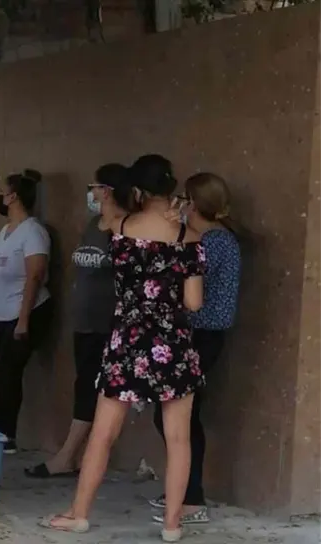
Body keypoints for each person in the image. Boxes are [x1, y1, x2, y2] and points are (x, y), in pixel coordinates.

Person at [42, 154, 205, 543]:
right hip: (172, 345)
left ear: (137, 189)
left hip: (126, 343)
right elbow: (194, 302)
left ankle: (79, 514)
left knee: (103, 433)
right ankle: (172, 525)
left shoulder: (120, 229)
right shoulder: (190, 238)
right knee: (178, 439)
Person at [26, 163, 132, 478]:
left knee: (91, 387)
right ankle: (74, 455)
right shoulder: (92, 224)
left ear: (107, 191)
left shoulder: (126, 228)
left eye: (95, 187)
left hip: (107, 322)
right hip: (84, 320)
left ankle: (68, 455)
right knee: (84, 384)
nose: (92, 193)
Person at [148, 172, 240, 526]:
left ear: (194, 204)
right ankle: (184, 490)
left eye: (183, 199)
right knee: (177, 415)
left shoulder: (214, 242)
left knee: (180, 416)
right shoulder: (205, 238)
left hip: (202, 335)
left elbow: (182, 280)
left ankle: (190, 497)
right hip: (192, 334)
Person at [0, 169, 54, 453]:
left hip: (22, 315)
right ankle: (0, 433)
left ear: (13, 197)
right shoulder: (5, 231)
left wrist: (23, 321)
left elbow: (34, 276)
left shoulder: (33, 232)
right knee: (4, 374)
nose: (0, 196)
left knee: (7, 375)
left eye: (3, 191)